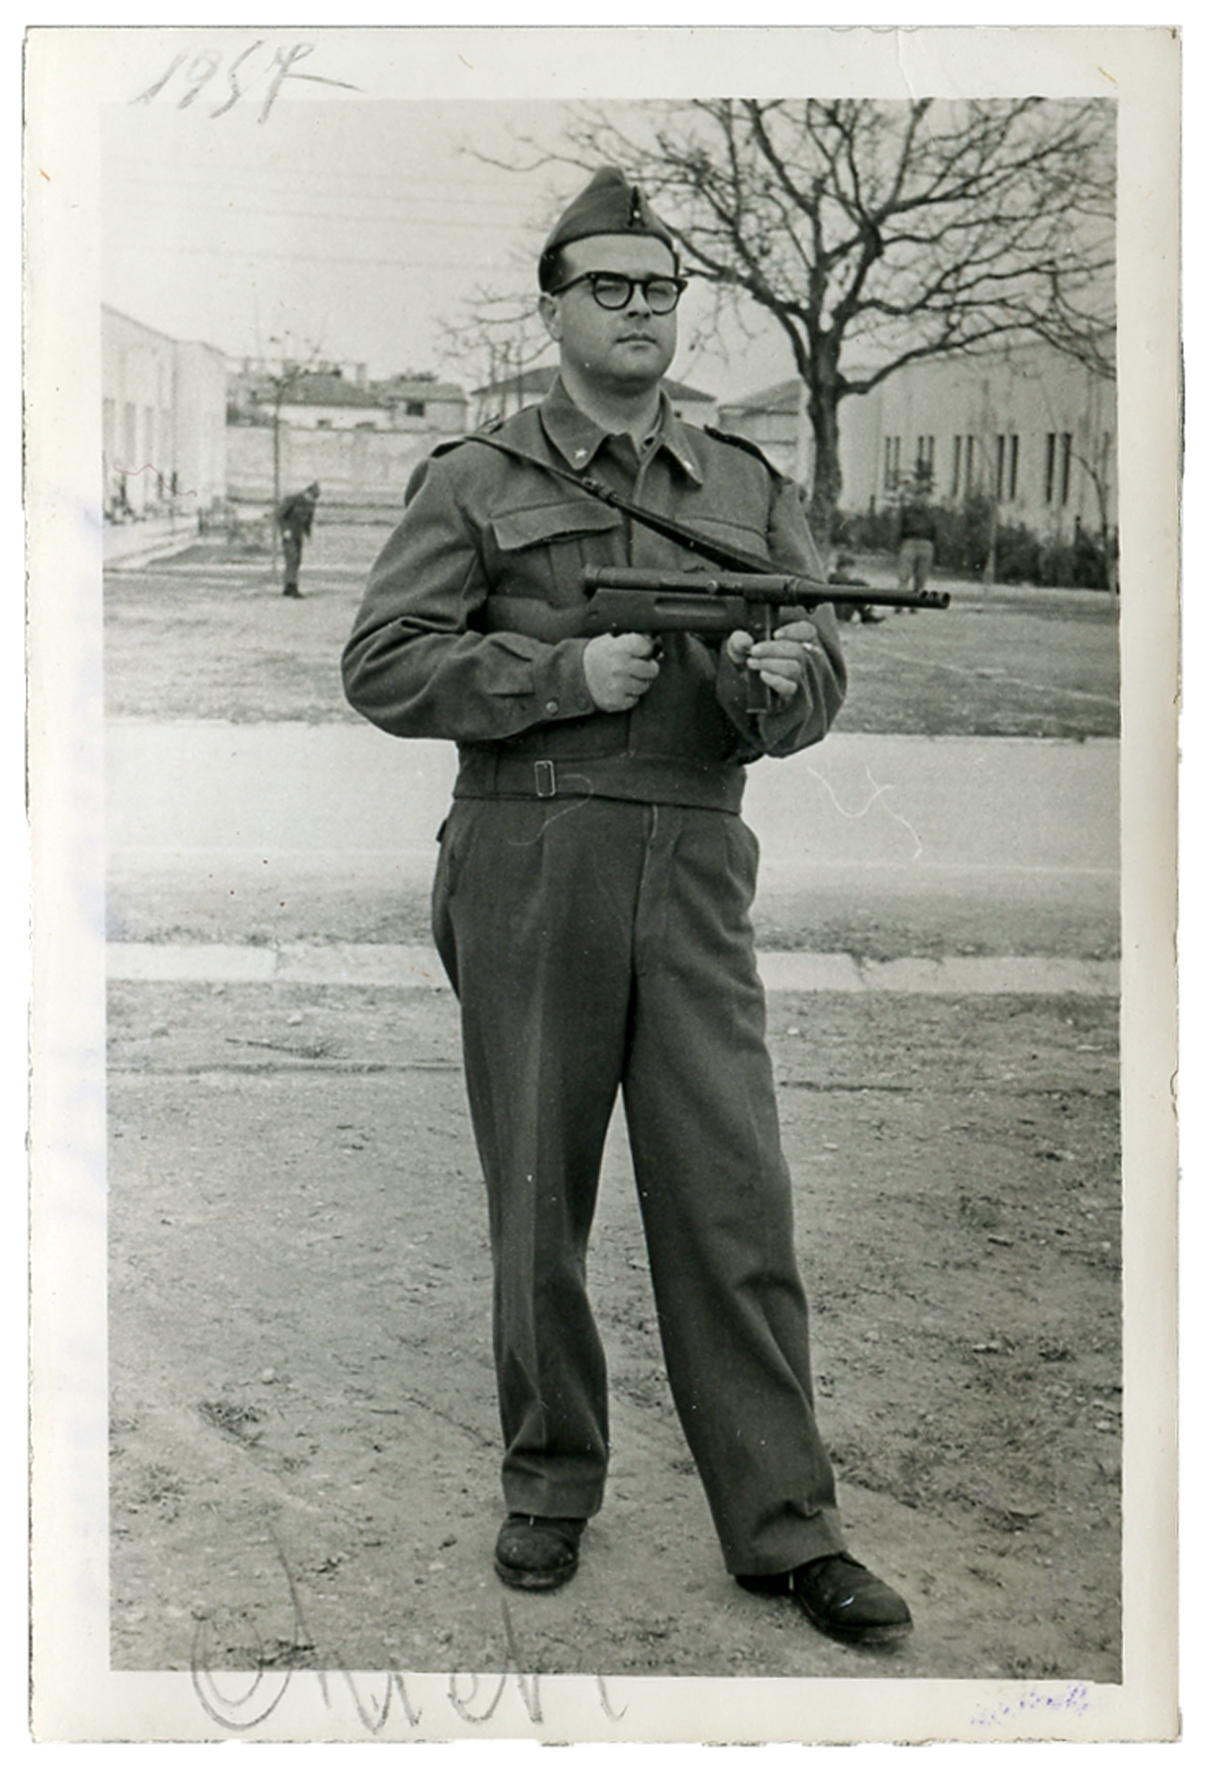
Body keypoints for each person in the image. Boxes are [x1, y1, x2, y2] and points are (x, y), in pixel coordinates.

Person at [341, 167, 912, 1648]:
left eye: (659, 290)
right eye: (609, 287)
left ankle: (787, 1528)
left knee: (733, 1195)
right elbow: (382, 661)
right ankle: (549, 1485)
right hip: (530, 850)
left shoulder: (743, 484)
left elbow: (811, 674)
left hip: (696, 856)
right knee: (540, 1194)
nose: (640, 310)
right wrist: (557, 678)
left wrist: (783, 687)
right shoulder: (476, 477)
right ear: (552, 311)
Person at [276, 480, 320, 597]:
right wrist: (285, 530)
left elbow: (308, 521)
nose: (312, 500)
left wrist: (308, 535)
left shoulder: (310, 505)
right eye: (311, 497)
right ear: (306, 493)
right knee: (292, 558)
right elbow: (279, 516)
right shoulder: (292, 500)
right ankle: (292, 587)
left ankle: (288, 586)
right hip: (289, 534)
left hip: (298, 534)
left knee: (297, 560)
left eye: (314, 498)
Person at [895, 491, 936, 597]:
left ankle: (917, 601)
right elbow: (899, 527)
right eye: (918, 496)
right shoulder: (907, 511)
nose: (921, 499)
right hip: (910, 542)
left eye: (924, 496)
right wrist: (898, 543)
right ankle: (900, 599)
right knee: (904, 575)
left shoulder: (932, 512)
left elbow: (936, 529)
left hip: (926, 543)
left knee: (921, 577)